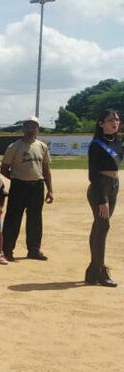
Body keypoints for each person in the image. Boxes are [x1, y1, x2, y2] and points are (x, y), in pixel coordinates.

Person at [1, 116, 54, 261]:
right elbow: (4, 168)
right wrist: (16, 178)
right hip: (19, 185)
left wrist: (50, 189)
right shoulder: (14, 146)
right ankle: (7, 250)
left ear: (38, 129)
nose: (31, 129)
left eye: (34, 126)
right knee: (13, 218)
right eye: (28, 126)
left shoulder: (42, 146)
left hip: (37, 186)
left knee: (35, 219)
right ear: (23, 128)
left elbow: (46, 169)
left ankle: (34, 249)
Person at [85, 109, 121, 287]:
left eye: (116, 119)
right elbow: (93, 174)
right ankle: (100, 270)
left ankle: (93, 270)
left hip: (114, 185)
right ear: (101, 124)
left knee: (99, 226)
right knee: (104, 225)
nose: (114, 122)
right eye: (109, 120)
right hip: (101, 188)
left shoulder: (117, 141)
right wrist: (102, 199)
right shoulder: (96, 145)